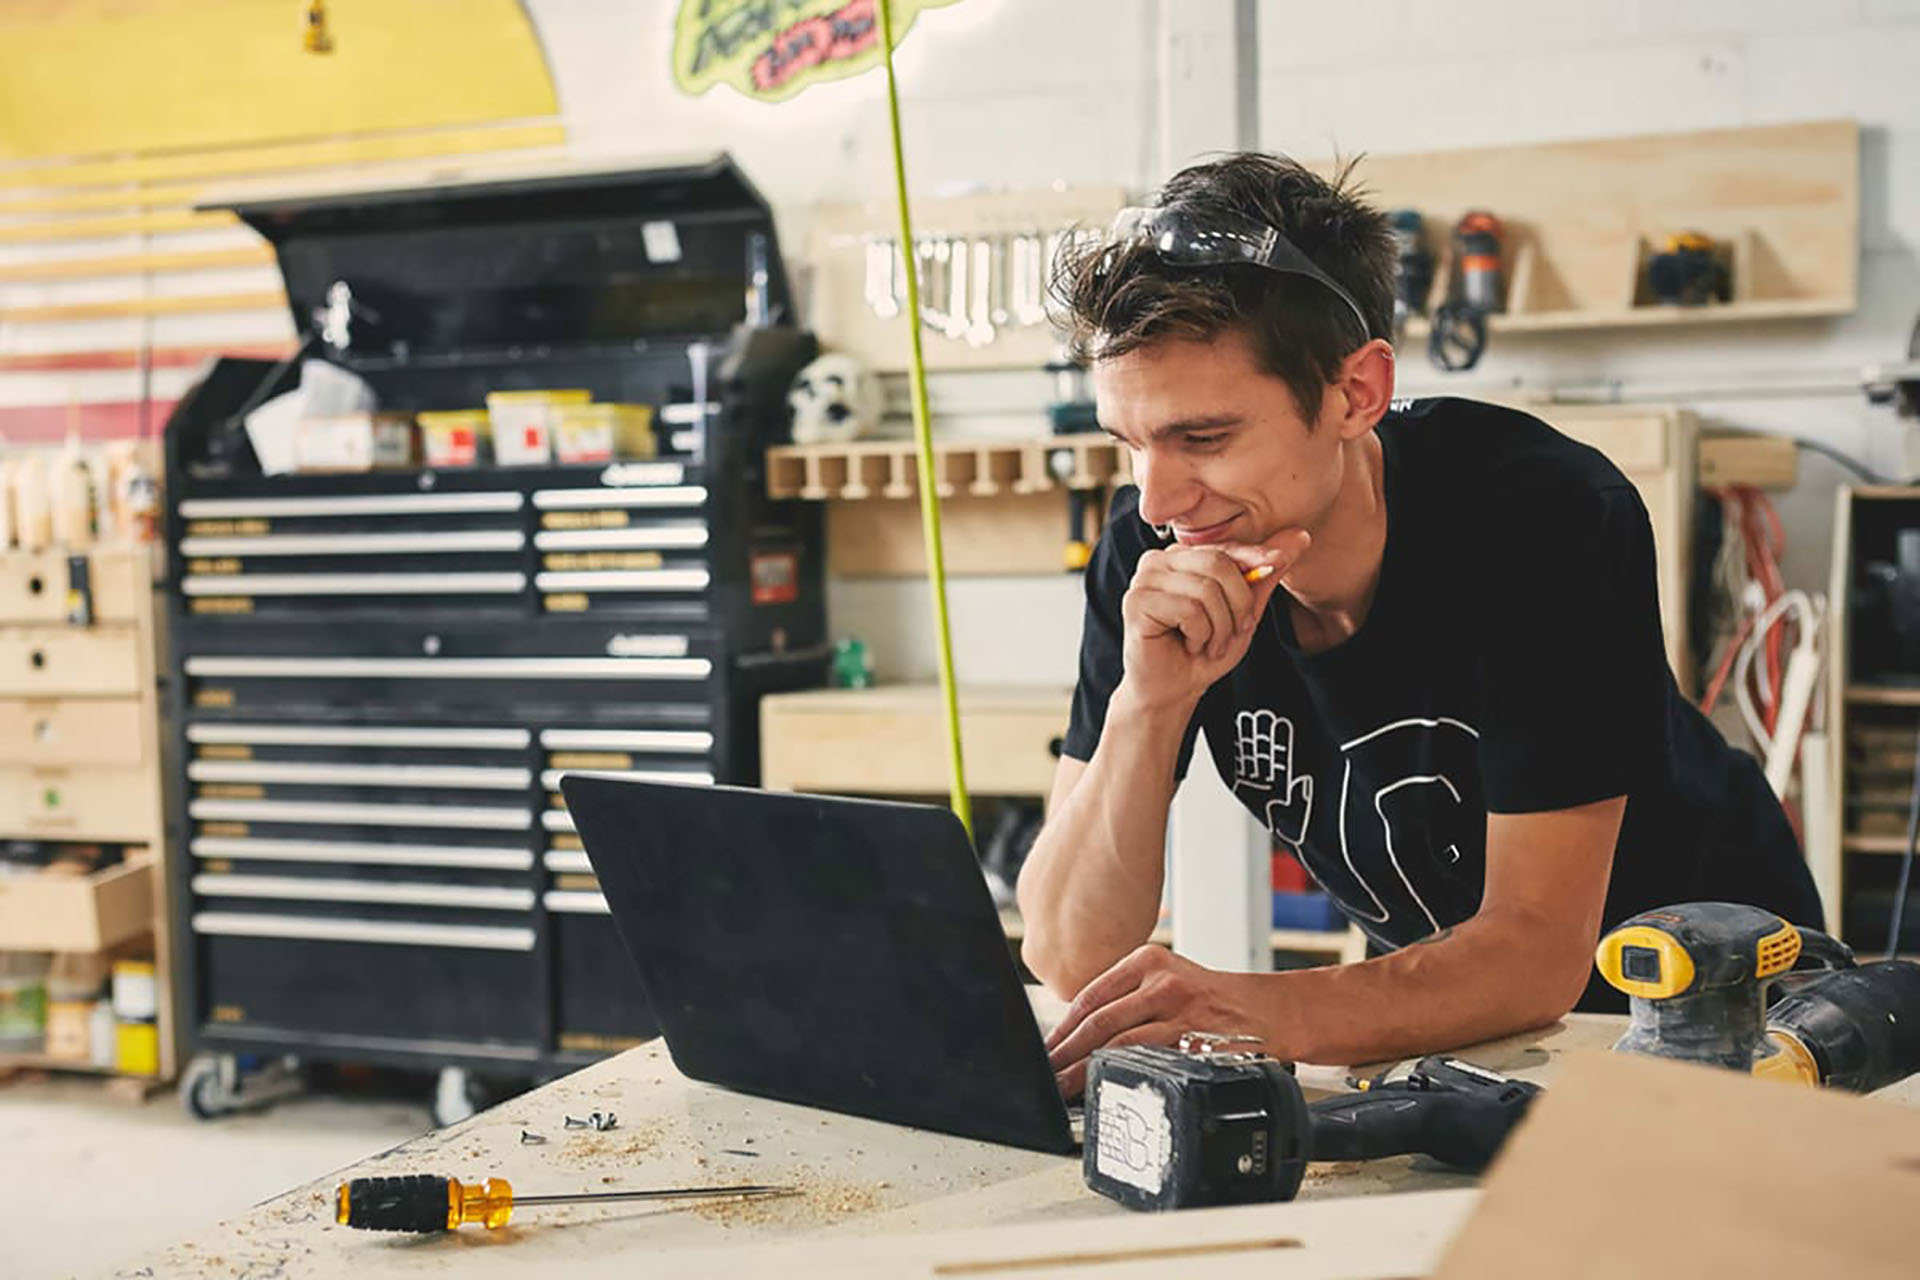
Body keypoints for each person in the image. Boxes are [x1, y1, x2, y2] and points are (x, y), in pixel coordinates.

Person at [1017, 153, 1823, 1097]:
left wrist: (1246, 1010)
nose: (1158, 498)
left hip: (1725, 1011)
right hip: (1464, 1021)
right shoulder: (1151, 556)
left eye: (1204, 438)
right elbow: (1069, 952)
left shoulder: (1540, 515)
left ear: (1356, 393)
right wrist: (1147, 708)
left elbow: (1533, 955)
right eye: (1130, 443)